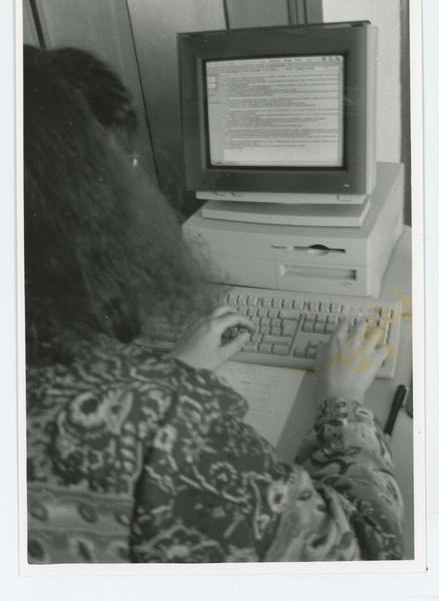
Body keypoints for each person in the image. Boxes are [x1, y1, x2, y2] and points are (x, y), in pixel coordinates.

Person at [24, 44, 404, 564]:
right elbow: (367, 554)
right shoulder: (158, 429)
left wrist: (172, 372)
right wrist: (344, 398)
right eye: (120, 167)